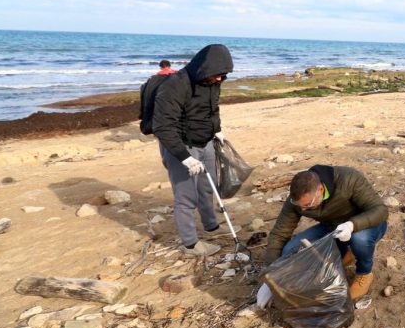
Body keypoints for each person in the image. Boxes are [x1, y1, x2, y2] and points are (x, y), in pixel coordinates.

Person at [152, 44, 233, 257]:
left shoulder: (213, 81)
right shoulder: (175, 85)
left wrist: (217, 130)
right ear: (205, 68)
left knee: (207, 187)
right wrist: (184, 157)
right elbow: (162, 126)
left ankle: (211, 226)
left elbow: (213, 109)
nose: (219, 79)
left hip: (206, 142)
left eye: (223, 75)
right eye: (217, 74)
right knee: (186, 197)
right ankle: (190, 244)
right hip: (180, 146)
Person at [263, 166, 389, 301]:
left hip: (367, 225)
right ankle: (347, 253)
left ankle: (364, 273)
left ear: (320, 190)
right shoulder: (299, 199)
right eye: (300, 205)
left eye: (308, 204)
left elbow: (380, 210)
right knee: (290, 249)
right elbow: (279, 233)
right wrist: (271, 277)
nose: (303, 209)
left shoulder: (348, 179)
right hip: (333, 228)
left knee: (359, 239)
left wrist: (351, 225)